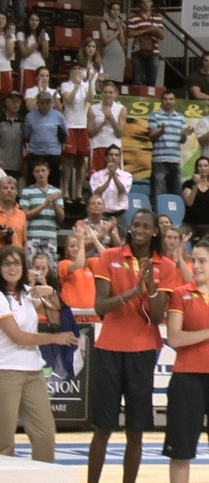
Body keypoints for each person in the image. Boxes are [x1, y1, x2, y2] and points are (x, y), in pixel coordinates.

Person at [89, 208, 177, 483]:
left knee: (136, 431)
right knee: (102, 428)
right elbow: (100, 306)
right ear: (129, 228)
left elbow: (157, 316)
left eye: (145, 226)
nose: (139, 230)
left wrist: (150, 287)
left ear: (154, 231)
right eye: (135, 225)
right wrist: (133, 292)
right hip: (109, 349)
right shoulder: (109, 257)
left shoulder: (167, 266)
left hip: (142, 352)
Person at [0, 245, 78, 462]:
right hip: (3, 371)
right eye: (6, 263)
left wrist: (49, 288)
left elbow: (55, 316)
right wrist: (55, 338)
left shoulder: (26, 292)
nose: (12, 267)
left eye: (16, 262)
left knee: (45, 435)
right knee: (2, 443)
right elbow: (18, 337)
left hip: (33, 371)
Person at [163, 240, 209, 483]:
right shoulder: (181, 294)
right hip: (187, 379)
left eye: (203, 261)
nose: (197, 266)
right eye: (195, 261)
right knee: (180, 450)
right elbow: (174, 337)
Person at [150, 90, 193, 201]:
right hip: (159, 160)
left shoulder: (180, 118)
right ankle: (157, 216)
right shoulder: (155, 115)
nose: (168, 102)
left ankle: (175, 215)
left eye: (170, 99)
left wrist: (184, 135)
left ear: (175, 101)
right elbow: (152, 138)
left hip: (175, 159)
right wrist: (161, 132)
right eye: (165, 99)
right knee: (158, 191)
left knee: (177, 191)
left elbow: (182, 141)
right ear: (161, 101)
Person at [20, 161, 64, 265]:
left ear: (48, 172)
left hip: (50, 237)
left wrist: (54, 203)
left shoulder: (56, 192)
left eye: (43, 170)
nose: (41, 174)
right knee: (31, 267)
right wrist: (45, 204)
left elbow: (61, 217)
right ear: (33, 173)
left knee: (51, 268)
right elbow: (25, 215)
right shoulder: (27, 192)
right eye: (37, 171)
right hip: (32, 237)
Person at [59, 64, 92, 202]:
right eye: (76, 69)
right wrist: (77, 86)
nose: (79, 71)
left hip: (82, 125)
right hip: (70, 125)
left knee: (81, 161)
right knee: (68, 160)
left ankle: (78, 193)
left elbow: (90, 99)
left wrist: (88, 83)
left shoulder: (86, 85)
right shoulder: (65, 85)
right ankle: (65, 191)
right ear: (71, 72)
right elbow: (69, 100)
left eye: (80, 69)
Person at [24, 91, 67, 188]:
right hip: (35, 153)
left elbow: (64, 133)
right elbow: (26, 135)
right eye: (42, 103)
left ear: (52, 103)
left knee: (53, 182)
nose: (44, 106)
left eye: (47, 103)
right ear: (37, 103)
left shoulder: (59, 116)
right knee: (33, 181)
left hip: (53, 153)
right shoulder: (30, 116)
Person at [87, 82, 126, 176]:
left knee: (115, 176)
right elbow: (89, 133)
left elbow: (120, 133)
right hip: (97, 146)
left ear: (115, 94)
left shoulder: (121, 109)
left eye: (110, 92)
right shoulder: (93, 108)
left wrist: (111, 118)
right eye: (105, 92)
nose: (108, 95)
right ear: (101, 93)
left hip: (114, 148)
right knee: (96, 177)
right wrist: (102, 124)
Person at [59, 225, 101, 311]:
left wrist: (94, 238)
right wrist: (81, 242)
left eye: (78, 246)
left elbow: (107, 257)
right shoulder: (63, 264)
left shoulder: (89, 263)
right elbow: (79, 264)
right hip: (73, 315)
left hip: (92, 313)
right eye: (72, 246)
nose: (75, 249)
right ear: (67, 250)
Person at [0, 91, 24, 179]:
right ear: (7, 103)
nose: (16, 104)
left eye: (18, 102)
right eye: (13, 101)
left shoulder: (23, 121)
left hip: (16, 165)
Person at [128, 0, 164, 86]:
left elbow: (162, 36)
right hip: (137, 51)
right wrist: (146, 30)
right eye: (143, 2)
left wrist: (155, 30)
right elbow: (129, 33)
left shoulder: (157, 17)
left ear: (151, 3)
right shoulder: (134, 17)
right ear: (140, 4)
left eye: (148, 1)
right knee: (137, 79)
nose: (146, 4)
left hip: (153, 52)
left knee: (152, 79)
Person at [16, 12, 49, 93]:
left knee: (40, 93)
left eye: (37, 20)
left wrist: (43, 41)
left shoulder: (44, 35)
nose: (34, 22)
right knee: (25, 94)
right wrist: (37, 43)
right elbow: (24, 53)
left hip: (40, 68)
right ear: (28, 21)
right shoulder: (21, 34)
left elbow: (45, 55)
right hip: (26, 67)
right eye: (32, 20)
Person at [184, 157, 209, 243]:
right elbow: (189, 202)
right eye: (200, 166)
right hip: (190, 224)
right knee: (179, 235)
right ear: (196, 168)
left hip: (207, 225)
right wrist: (195, 185)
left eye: (206, 166)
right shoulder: (188, 184)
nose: (203, 168)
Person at [100, 2, 126, 83]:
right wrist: (117, 31)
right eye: (113, 9)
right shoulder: (103, 24)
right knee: (106, 80)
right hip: (107, 56)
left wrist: (121, 31)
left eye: (118, 10)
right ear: (109, 11)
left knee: (116, 83)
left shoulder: (121, 24)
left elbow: (122, 43)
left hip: (119, 57)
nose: (116, 12)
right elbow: (105, 40)